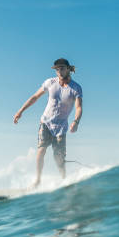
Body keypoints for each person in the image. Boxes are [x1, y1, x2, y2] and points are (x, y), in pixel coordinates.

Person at [13, 58, 83, 187]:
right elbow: (35, 97)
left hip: (61, 127)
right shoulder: (50, 83)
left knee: (59, 158)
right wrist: (21, 110)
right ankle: (37, 181)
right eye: (57, 69)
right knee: (41, 150)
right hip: (45, 122)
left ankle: (64, 181)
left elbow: (79, 107)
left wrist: (76, 121)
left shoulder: (76, 88)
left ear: (68, 69)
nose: (59, 71)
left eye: (62, 68)